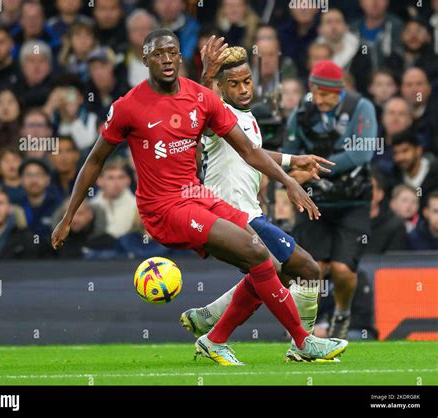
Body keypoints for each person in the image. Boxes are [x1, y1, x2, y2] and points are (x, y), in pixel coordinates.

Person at [51, 29, 348, 365]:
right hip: (162, 208)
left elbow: (249, 151)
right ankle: (303, 341)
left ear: (180, 57)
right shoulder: (128, 107)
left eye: (172, 52)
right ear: (145, 59)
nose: (166, 58)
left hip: (197, 197)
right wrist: (68, 217)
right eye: (158, 53)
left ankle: (216, 337)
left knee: (260, 257)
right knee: (256, 252)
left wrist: (288, 180)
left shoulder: (200, 97)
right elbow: (95, 160)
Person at [181, 43, 345, 362]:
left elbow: (253, 151)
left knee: (274, 273)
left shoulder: (245, 116)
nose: (243, 89)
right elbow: (198, 109)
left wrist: (292, 160)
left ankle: (211, 327)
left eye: (247, 82)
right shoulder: (218, 114)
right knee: (308, 269)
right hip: (232, 216)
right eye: (233, 84)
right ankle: (304, 344)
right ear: (220, 86)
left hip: (246, 215)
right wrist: (205, 75)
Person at [283, 59, 378, 339]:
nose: (320, 99)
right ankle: (302, 328)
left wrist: (312, 167)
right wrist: (294, 173)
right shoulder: (301, 113)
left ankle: (342, 312)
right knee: (314, 267)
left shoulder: (361, 108)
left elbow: (361, 154)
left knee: (342, 270)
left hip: (354, 201)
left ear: (340, 91)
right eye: (316, 92)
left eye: (327, 94)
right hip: (315, 201)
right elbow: (289, 154)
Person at [92, 157, 141, 238]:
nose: (116, 182)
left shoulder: (138, 206)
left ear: (128, 180)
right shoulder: (91, 206)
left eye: (121, 177)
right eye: (110, 178)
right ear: (99, 181)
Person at [51, 198, 116, 259]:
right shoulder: (53, 244)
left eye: (80, 214)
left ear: (90, 215)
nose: (74, 219)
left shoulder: (107, 242)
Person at [389, 130, 438, 209]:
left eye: (405, 151)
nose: (400, 157)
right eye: (396, 153)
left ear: (418, 150)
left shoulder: (435, 173)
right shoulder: (393, 177)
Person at [19, 158, 61, 240]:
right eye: (29, 175)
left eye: (39, 175)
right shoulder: (15, 207)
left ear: (47, 179)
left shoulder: (59, 206)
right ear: (21, 180)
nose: (34, 180)